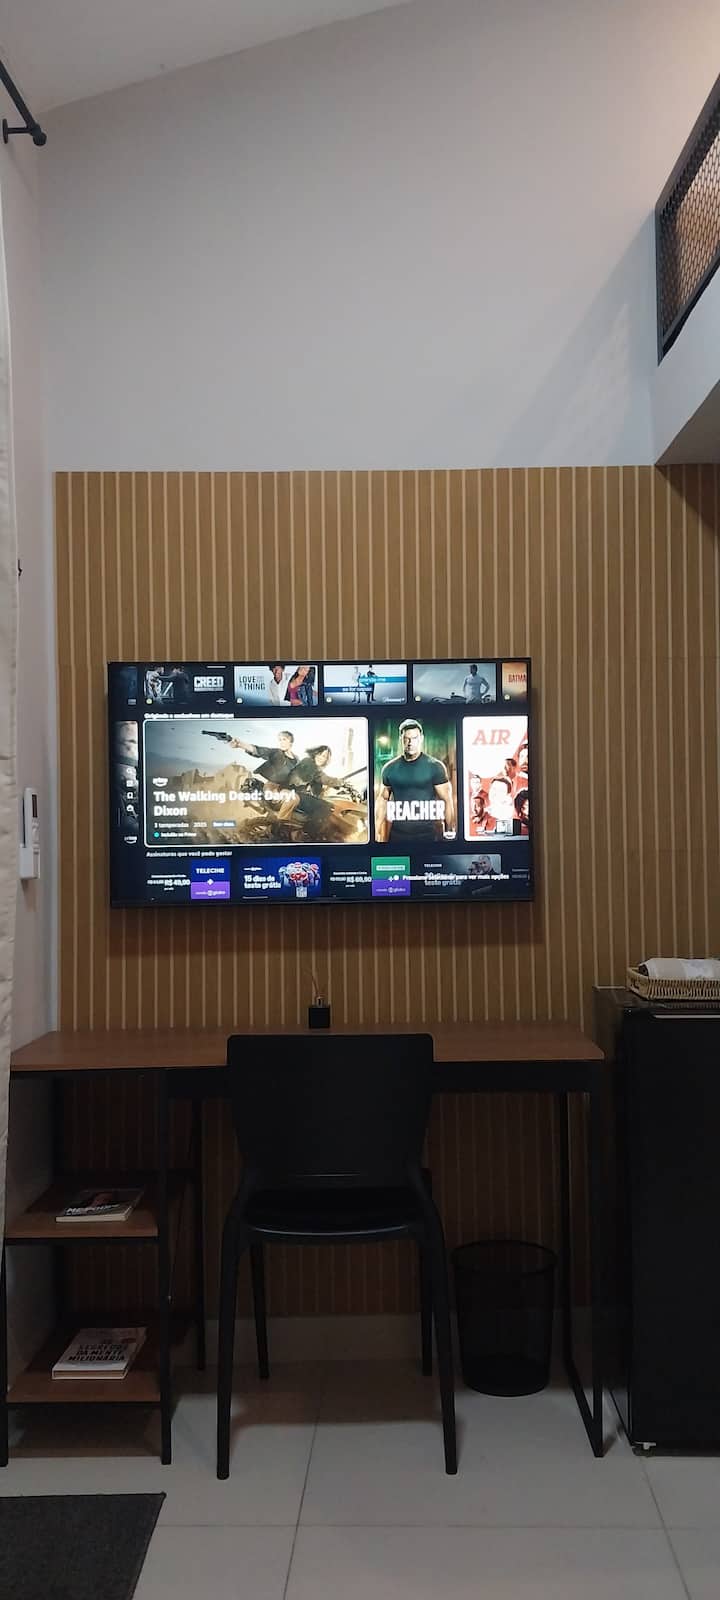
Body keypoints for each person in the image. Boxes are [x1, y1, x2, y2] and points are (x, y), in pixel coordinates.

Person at [375, 718, 454, 842]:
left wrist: (449, 832)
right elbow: (382, 800)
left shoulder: (435, 767)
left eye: (414, 738)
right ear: (401, 739)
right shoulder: (389, 768)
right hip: (398, 837)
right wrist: (376, 831)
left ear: (421, 739)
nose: (410, 743)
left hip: (427, 837)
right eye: (406, 738)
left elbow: (447, 801)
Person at [276, 744, 361, 829]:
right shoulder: (308, 762)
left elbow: (317, 791)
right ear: (315, 754)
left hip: (297, 795)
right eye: (320, 754)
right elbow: (322, 778)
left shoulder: (315, 771)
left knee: (322, 805)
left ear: (326, 760)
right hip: (291, 793)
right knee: (326, 807)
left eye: (324, 757)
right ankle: (309, 833)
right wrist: (340, 782)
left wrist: (332, 788)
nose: (321, 758)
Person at [230, 730, 296, 794]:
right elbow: (260, 751)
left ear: (291, 742)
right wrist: (240, 744)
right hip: (272, 787)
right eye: (280, 740)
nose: (281, 742)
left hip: (287, 788)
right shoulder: (277, 753)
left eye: (284, 739)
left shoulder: (296, 760)